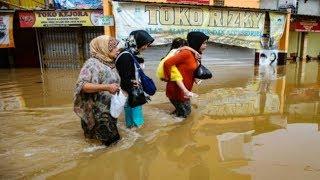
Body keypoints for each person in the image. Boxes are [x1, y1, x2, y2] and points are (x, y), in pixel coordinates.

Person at [74, 35, 121, 146]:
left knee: (107, 145)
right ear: (103, 48)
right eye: (113, 47)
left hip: (109, 111)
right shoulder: (92, 64)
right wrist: (107, 87)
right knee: (109, 145)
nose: (117, 49)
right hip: (97, 113)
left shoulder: (109, 63)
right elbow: (82, 85)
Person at [163, 32, 209, 118]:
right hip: (177, 91)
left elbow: (188, 70)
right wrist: (167, 77)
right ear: (196, 42)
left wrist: (195, 79)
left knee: (180, 113)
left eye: (206, 43)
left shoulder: (193, 54)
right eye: (204, 43)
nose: (206, 45)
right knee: (185, 116)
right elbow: (167, 63)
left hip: (183, 91)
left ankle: (167, 121)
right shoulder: (186, 53)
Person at [116, 30, 154, 128]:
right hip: (131, 93)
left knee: (131, 123)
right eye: (145, 44)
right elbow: (124, 77)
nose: (146, 47)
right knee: (137, 124)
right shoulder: (126, 56)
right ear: (138, 42)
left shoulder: (131, 54)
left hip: (131, 92)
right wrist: (133, 85)